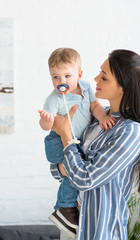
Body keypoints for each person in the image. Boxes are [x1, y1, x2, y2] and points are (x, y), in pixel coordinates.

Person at [45, 49, 140, 240]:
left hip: (99, 230)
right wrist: (63, 166)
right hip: (72, 226)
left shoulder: (130, 131)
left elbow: (85, 179)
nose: (95, 79)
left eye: (104, 77)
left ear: (123, 87)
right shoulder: (97, 118)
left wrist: (66, 136)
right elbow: (57, 170)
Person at [38, 48, 115, 238]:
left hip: (75, 142)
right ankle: (65, 207)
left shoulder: (87, 88)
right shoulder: (54, 98)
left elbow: (95, 106)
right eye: (55, 77)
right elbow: (46, 125)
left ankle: (65, 207)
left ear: (79, 75)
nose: (61, 82)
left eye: (67, 76)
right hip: (58, 141)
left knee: (73, 170)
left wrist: (103, 116)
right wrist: (47, 119)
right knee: (72, 172)